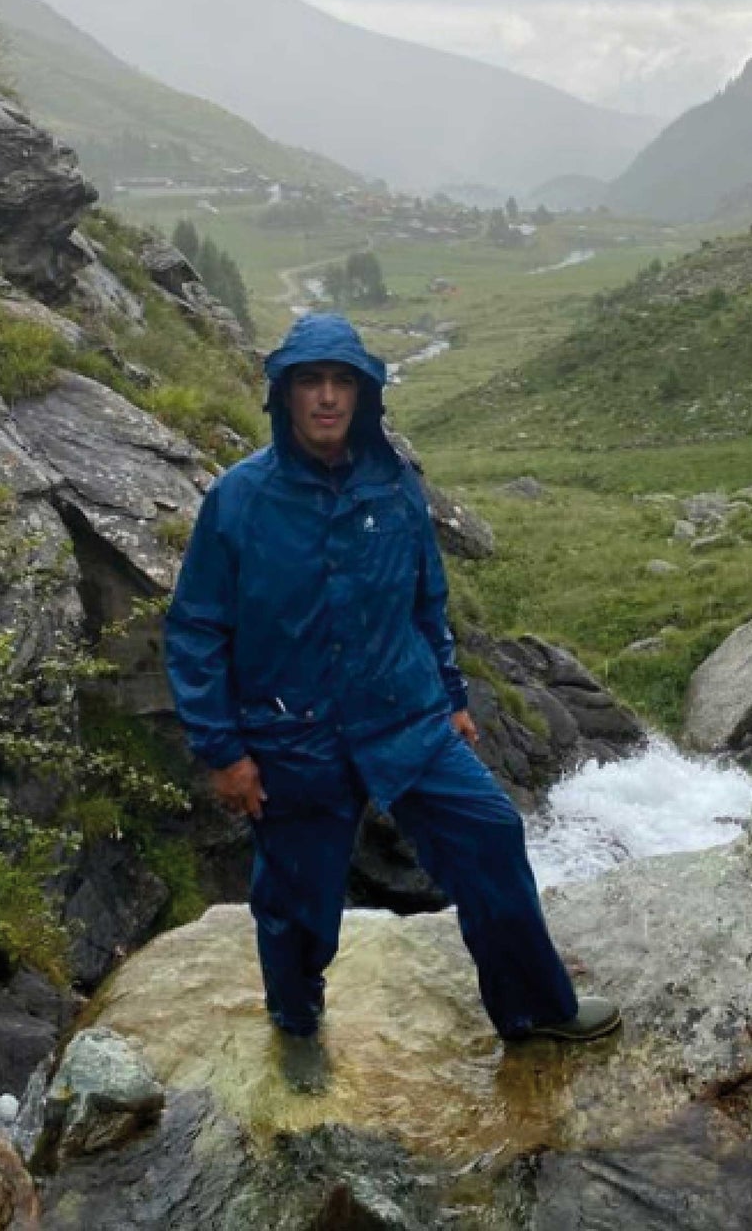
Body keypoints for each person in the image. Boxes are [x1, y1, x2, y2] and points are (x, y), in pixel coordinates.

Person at [164, 313, 619, 1065]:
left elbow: (424, 602)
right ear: (284, 395)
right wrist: (223, 750)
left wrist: (451, 696)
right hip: (293, 734)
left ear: (364, 396)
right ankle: (298, 1022)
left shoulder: (395, 487)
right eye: (310, 381)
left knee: (491, 834)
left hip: (404, 717)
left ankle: (534, 1007)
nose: (326, 398)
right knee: (297, 901)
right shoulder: (239, 500)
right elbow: (195, 630)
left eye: (342, 382)